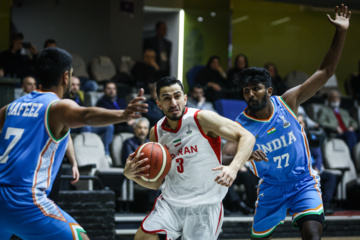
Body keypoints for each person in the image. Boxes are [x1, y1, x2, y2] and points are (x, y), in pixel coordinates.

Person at [0, 47, 148, 240]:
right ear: (65, 76)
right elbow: (86, 115)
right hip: (24, 200)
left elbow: (64, 131)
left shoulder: (12, 106)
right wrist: (122, 114)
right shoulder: (57, 106)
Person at [229, 5, 350, 239]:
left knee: (313, 235)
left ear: (269, 90)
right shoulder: (241, 125)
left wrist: (341, 32)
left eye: (256, 88)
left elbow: (325, 71)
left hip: (303, 181)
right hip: (271, 188)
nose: (251, 94)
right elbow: (223, 154)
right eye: (246, 91)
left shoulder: (288, 102)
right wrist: (241, 155)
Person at [124, 76, 257, 240]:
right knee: (143, 238)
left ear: (185, 98)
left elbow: (247, 136)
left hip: (204, 207)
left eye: (177, 96)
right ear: (159, 104)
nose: (173, 103)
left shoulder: (202, 119)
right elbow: (156, 182)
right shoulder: (156, 132)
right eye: (166, 98)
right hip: (170, 204)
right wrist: (131, 176)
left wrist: (234, 168)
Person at [66, 76, 114, 160]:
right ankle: (83, 155)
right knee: (86, 126)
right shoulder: (65, 97)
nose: (75, 87)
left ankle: (106, 154)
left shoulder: (80, 95)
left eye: (77, 85)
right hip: (71, 125)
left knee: (109, 126)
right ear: (68, 85)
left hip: (82, 123)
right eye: (73, 84)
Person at [297, 114, 337, 214]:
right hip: (298, 172)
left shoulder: (312, 137)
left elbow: (318, 155)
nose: (299, 125)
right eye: (297, 123)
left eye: (301, 123)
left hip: (313, 170)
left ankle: (325, 205)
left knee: (331, 177)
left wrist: (317, 168)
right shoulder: (290, 139)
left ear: (305, 124)